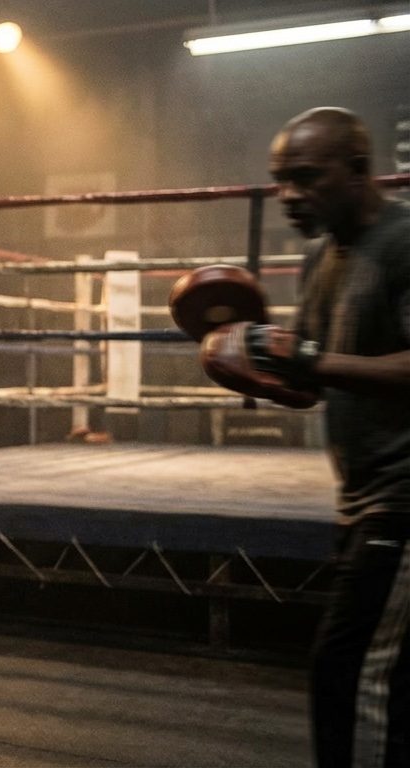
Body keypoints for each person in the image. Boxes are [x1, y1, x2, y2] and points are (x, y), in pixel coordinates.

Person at [196, 107, 410, 766]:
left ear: (358, 171)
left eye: (307, 177)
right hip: (363, 494)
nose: (288, 194)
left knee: (349, 670)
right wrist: (252, 374)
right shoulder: (322, 257)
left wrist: (307, 361)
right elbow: (314, 381)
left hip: (404, 502)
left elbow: (323, 363)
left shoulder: (405, 243)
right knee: (384, 678)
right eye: (280, 180)